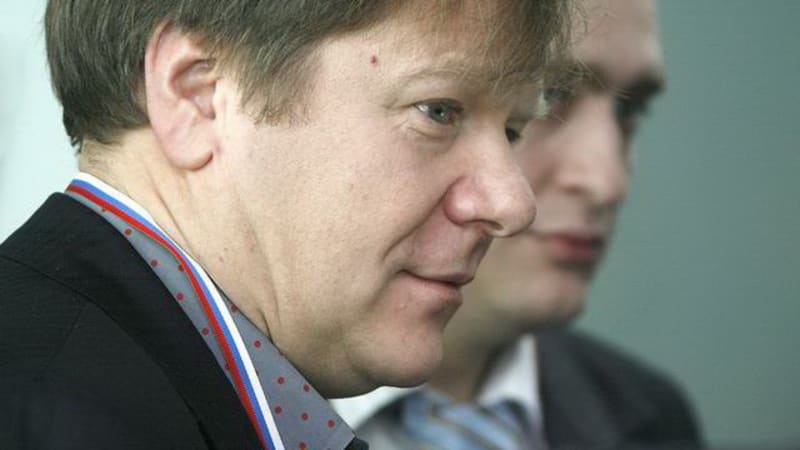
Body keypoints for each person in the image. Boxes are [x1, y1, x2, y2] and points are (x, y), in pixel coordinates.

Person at [0, 1, 575, 449]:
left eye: (512, 131)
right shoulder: (50, 419)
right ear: (196, 95)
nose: (512, 203)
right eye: (439, 111)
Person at [334, 0, 705, 449]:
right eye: (549, 98)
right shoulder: (266, 407)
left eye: (629, 113)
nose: (607, 183)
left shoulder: (654, 418)